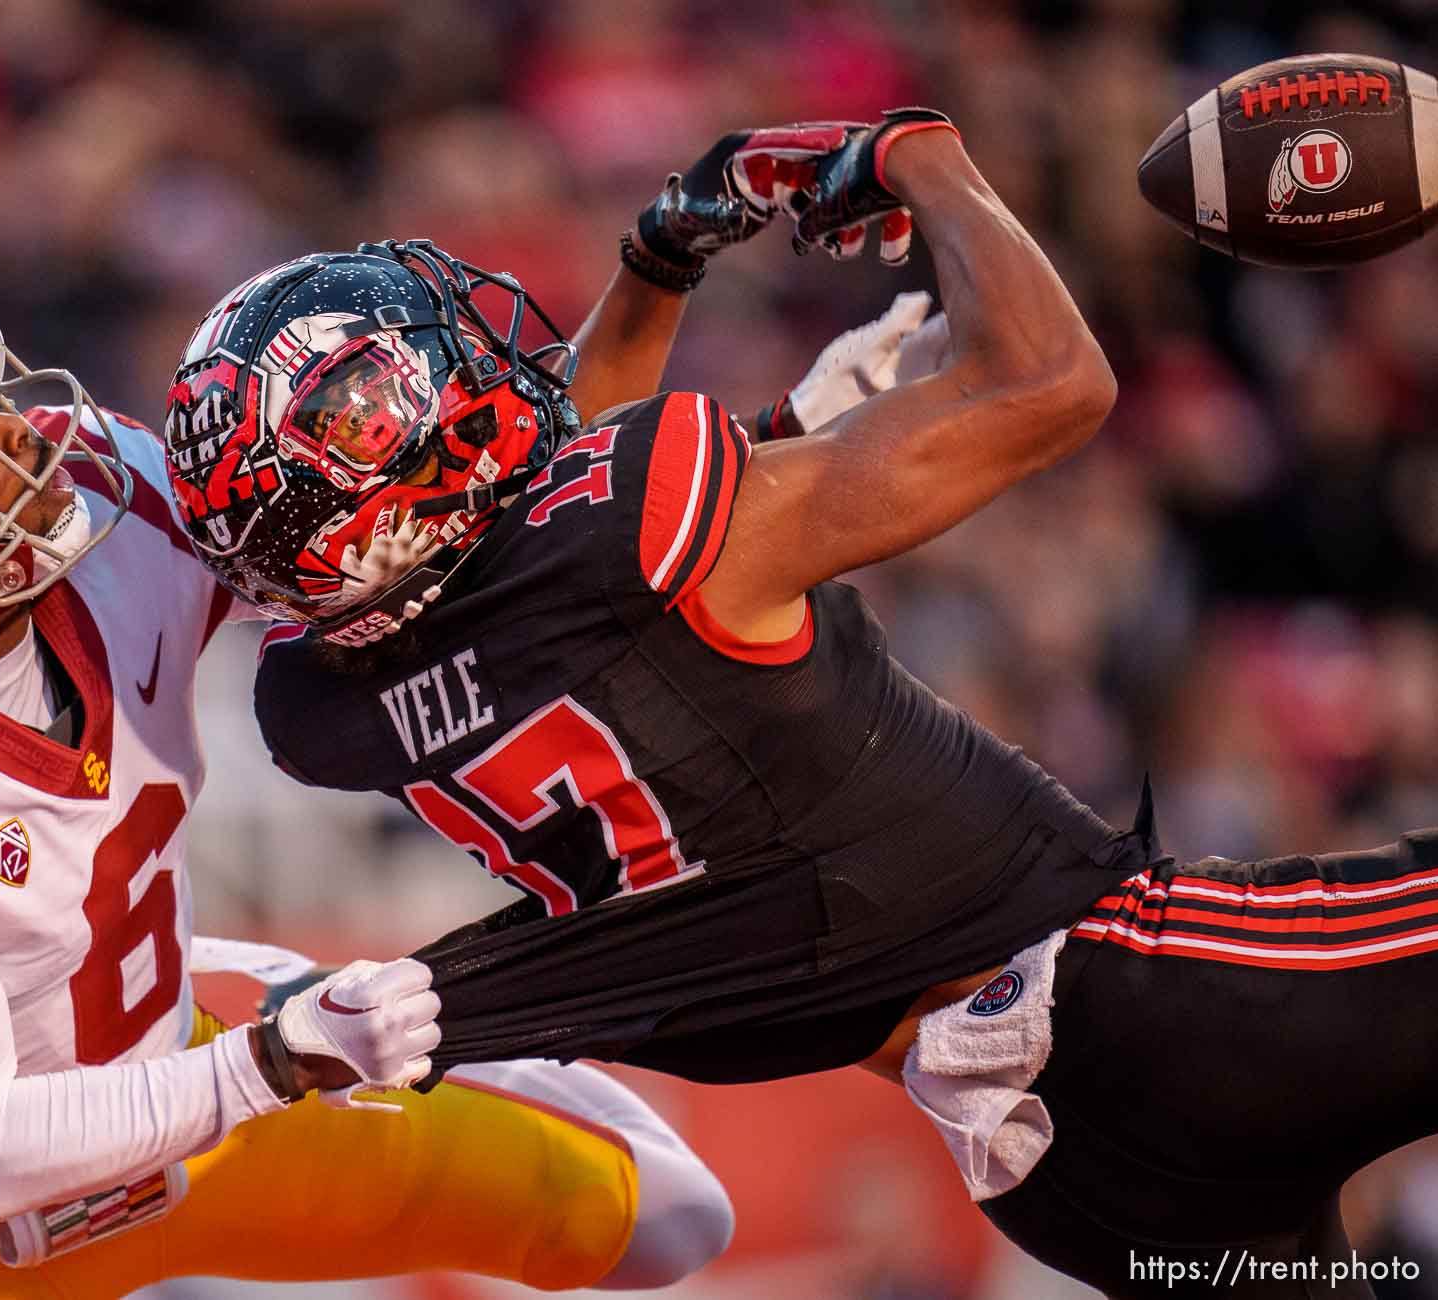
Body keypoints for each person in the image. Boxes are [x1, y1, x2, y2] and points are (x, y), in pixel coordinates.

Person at [166, 110, 1438, 1300]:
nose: (468, 357)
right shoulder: (647, 528)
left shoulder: (324, 703)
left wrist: (663, 255)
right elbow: (1058, 384)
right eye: (408, 380)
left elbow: (547, 540)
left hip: (1047, 1163)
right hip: (1142, 1003)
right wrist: (920, 156)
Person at [0, 293, 743, 1298]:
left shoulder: (111, 506)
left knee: (673, 1215)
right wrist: (278, 1055)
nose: (30, 444)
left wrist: (745, 434)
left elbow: (370, 511)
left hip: (197, 1088)